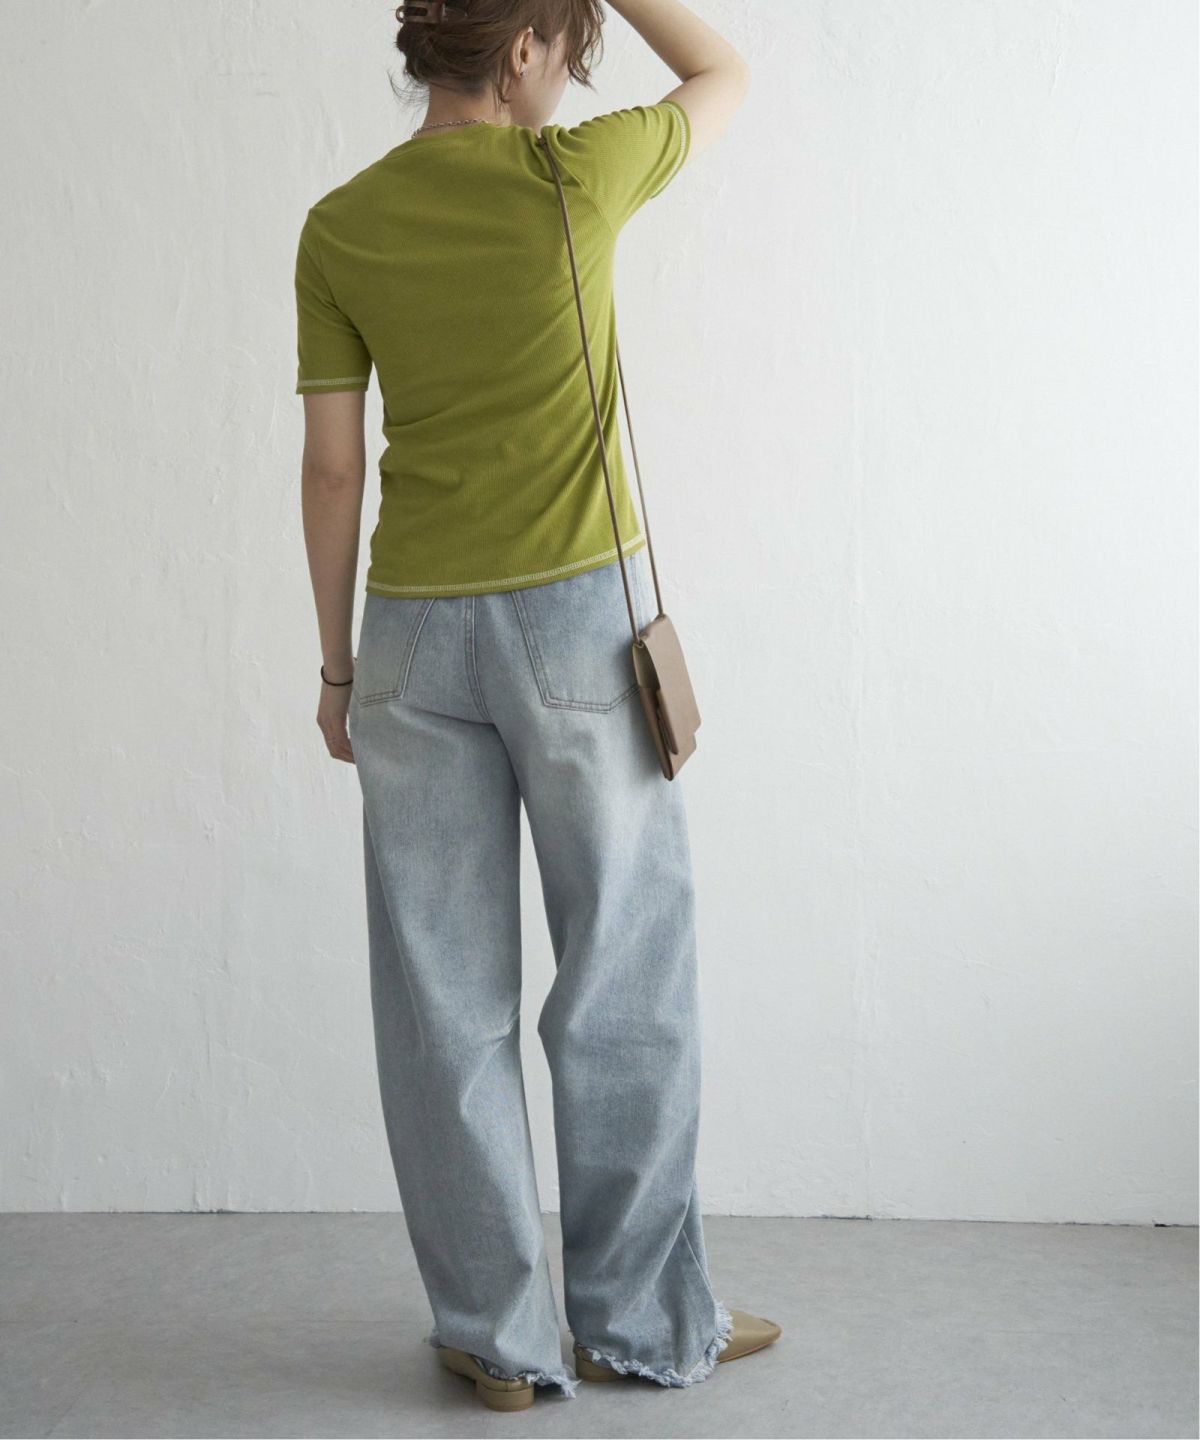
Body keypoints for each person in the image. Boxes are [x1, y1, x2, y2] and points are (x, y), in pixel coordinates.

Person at [295, 0, 779, 1413]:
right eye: (565, 49)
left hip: (409, 638)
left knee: (443, 1001)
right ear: (523, 50)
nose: (572, 80)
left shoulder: (338, 226)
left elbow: (333, 469)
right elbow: (725, 70)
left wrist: (336, 670)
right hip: (577, 624)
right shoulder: (579, 175)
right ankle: (637, 1319)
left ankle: (494, 1338)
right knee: (623, 975)